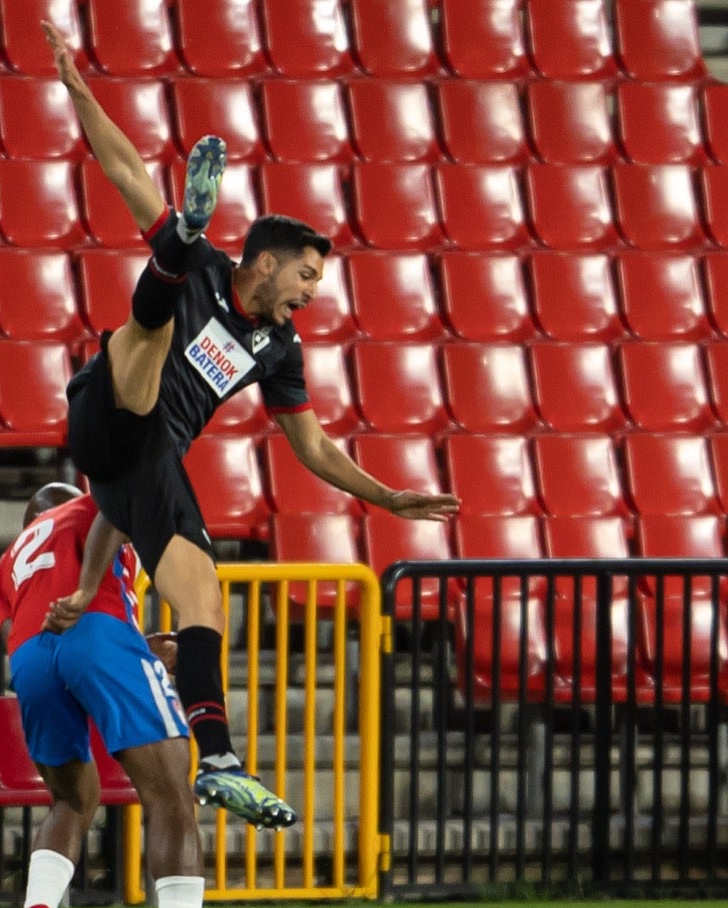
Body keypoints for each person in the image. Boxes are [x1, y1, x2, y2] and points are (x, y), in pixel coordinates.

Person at [42, 23, 460, 830]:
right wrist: (79, 88)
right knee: (144, 345)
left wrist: (388, 498)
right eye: (304, 276)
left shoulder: (282, 347)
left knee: (203, 591)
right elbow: (125, 168)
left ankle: (219, 757)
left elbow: (309, 446)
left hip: (136, 460)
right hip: (106, 399)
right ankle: (172, 250)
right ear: (262, 262)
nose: (310, 293)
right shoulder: (212, 271)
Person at [0, 482, 250, 908]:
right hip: (96, 629)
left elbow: (23, 637)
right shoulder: (89, 505)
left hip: (29, 657)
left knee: (71, 798)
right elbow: (118, 506)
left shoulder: (9, 559)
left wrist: (137, 652)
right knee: (171, 793)